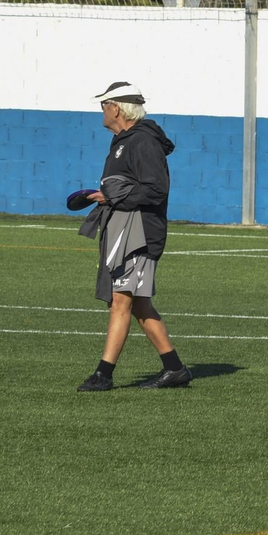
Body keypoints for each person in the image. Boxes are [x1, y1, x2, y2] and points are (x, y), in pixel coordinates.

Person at [76, 82, 191, 391]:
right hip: (126, 229)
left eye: (104, 105)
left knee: (120, 301)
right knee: (138, 304)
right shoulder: (122, 141)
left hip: (139, 232)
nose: (102, 111)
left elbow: (156, 189)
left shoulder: (142, 141)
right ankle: (175, 369)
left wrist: (112, 196)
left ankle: (103, 374)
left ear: (116, 108)